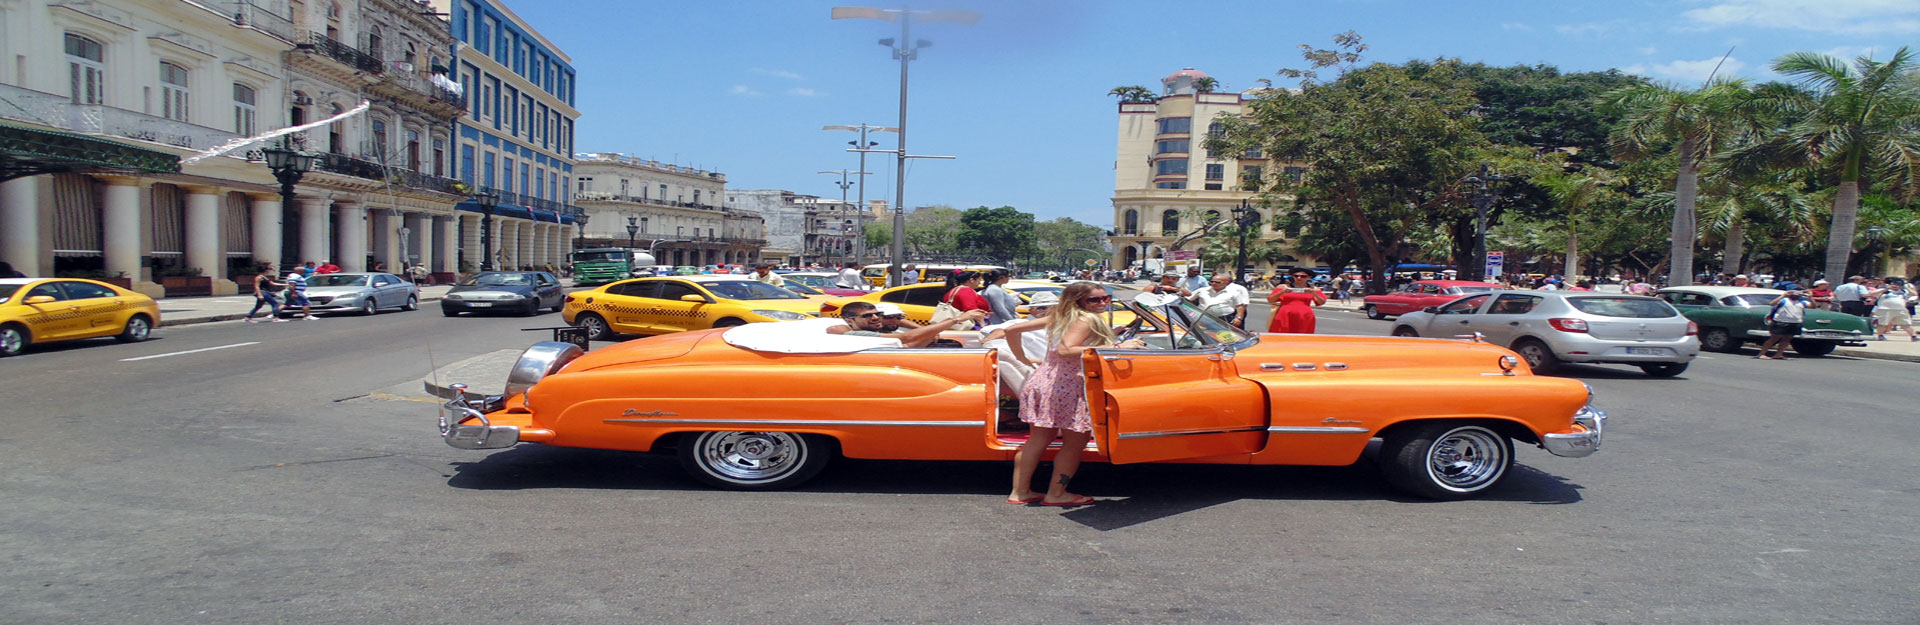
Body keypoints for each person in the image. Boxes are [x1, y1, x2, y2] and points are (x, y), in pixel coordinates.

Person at [1004, 282, 1145, 507]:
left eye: (1106, 298)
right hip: (1071, 385)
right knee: (1073, 444)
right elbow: (1066, 349)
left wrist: (1022, 358)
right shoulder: (1087, 319)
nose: (1102, 303)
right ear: (1078, 300)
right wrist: (1115, 348)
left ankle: (1020, 493)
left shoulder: (1063, 316)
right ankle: (1056, 494)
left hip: (1045, 380)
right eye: (1094, 300)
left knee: (1038, 440)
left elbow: (1011, 330)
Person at [980, 292, 1057, 397]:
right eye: (1042, 308)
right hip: (1046, 369)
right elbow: (991, 331)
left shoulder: (1062, 324)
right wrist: (1005, 332)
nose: (1048, 311)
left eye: (1054, 307)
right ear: (1031, 310)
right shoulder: (1019, 324)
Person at [829, 301, 984, 347]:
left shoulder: (882, 330)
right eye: (868, 316)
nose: (876, 318)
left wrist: (926, 332)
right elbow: (906, 338)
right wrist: (957, 319)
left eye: (877, 314)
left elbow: (906, 339)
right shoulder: (856, 334)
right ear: (850, 320)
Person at [1757, 290, 1809, 359]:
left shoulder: (1802, 302)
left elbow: (1813, 306)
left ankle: (1779, 354)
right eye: (1794, 294)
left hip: (1795, 323)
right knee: (1774, 338)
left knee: (1787, 339)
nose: (1796, 296)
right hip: (1781, 321)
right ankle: (1762, 353)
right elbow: (1772, 303)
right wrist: (1783, 295)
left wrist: (1810, 297)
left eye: (1798, 295)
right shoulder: (1784, 300)